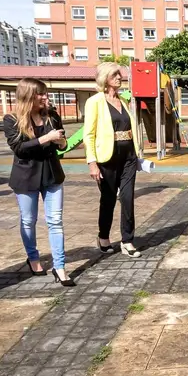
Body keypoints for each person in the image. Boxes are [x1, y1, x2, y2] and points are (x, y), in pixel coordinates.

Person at [3, 78, 74, 286]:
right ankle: (33, 258)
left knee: (55, 221)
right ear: (28, 96)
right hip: (25, 178)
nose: (45, 97)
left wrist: (61, 141)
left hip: (52, 176)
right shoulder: (11, 119)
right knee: (28, 220)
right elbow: (19, 148)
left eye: (45, 93)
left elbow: (62, 145)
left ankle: (60, 267)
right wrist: (47, 138)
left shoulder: (52, 116)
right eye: (40, 94)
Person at [84, 62, 143, 258]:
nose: (119, 77)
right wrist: (92, 162)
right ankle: (103, 237)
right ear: (104, 79)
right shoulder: (95, 102)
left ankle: (127, 240)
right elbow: (89, 134)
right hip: (106, 159)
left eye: (119, 74)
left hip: (128, 158)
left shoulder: (124, 101)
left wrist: (137, 154)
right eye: (114, 75)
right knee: (108, 200)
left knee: (127, 199)